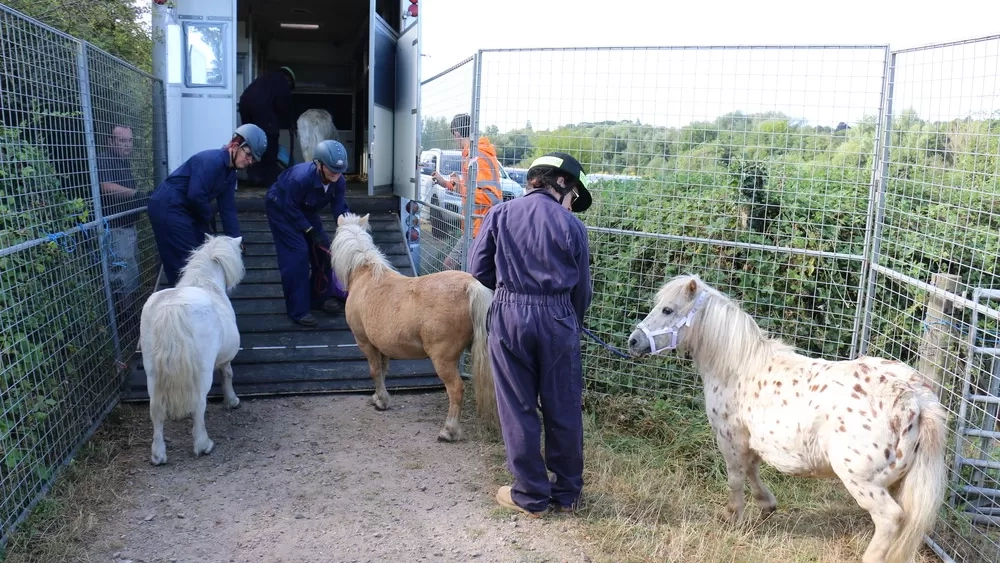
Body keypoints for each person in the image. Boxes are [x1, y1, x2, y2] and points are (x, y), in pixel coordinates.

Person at [467, 152, 594, 518]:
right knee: (563, 407)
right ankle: (567, 495)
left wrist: (511, 291)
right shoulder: (573, 227)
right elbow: (582, 291)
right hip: (558, 317)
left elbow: (479, 270)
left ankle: (531, 496)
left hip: (509, 314)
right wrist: (572, 323)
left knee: (518, 407)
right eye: (573, 196)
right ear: (563, 183)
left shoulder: (500, 214)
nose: (571, 204)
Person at [147, 124, 267, 287]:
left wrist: (236, 241)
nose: (249, 161)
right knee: (186, 263)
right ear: (236, 145)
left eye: (253, 159)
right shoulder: (212, 160)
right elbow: (196, 195)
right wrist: (209, 225)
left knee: (200, 252)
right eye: (248, 154)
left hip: (187, 209)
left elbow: (228, 210)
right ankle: (185, 302)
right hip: (168, 207)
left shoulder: (230, 175)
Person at [264, 139, 351, 327]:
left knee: (324, 251)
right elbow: (290, 209)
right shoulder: (300, 178)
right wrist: (310, 231)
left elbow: (339, 207)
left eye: (340, 170)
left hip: (305, 207)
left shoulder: (339, 180)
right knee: (297, 253)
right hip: (281, 207)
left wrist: (346, 228)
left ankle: (319, 298)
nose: (336, 174)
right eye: (331, 168)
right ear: (318, 164)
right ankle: (298, 310)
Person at [430, 113, 503, 270]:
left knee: (451, 265)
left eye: (454, 137)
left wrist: (457, 185)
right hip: (477, 226)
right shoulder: (475, 153)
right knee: (466, 270)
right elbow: (475, 189)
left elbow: (489, 197)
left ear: (457, 133)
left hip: (480, 227)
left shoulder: (476, 155)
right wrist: (451, 184)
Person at [97, 124, 142, 342]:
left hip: (128, 227)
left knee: (131, 272)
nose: (127, 145)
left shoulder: (124, 162)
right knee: (122, 274)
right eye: (122, 141)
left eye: (129, 141)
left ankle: (128, 315)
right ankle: (125, 320)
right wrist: (135, 194)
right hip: (116, 229)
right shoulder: (105, 160)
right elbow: (105, 187)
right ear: (110, 141)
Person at [238, 66, 296, 187]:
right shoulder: (282, 81)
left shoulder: (264, 79)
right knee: (270, 141)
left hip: (245, 106)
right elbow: (284, 103)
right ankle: (269, 180)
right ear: (289, 79)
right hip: (262, 110)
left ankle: (254, 176)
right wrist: (290, 120)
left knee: (252, 142)